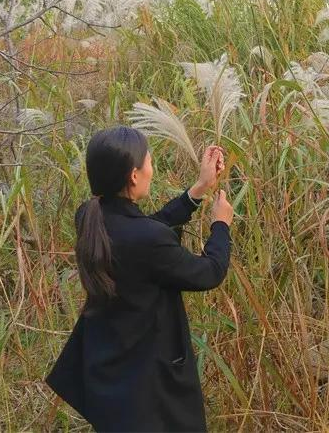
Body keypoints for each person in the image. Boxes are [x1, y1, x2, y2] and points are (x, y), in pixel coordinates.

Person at [45, 125, 234, 432]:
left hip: (110, 374)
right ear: (134, 175)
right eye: (149, 161)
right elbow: (209, 272)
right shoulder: (145, 239)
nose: (152, 167)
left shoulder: (89, 217)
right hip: (147, 386)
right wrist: (221, 225)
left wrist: (197, 190)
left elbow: (147, 229)